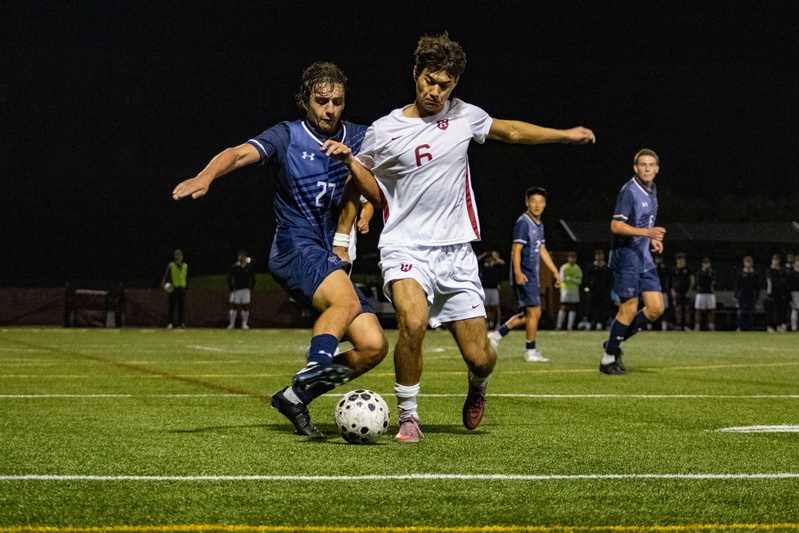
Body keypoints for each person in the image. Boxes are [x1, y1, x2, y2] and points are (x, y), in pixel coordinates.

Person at [322, 32, 595, 442]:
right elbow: (365, 181)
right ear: (415, 73)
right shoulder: (385, 129)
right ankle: (409, 418)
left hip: (456, 254)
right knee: (411, 323)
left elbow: (514, 132)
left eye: (444, 85)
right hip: (405, 246)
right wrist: (350, 217)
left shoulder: (465, 116)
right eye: (429, 81)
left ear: (455, 85)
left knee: (481, 357)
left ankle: (478, 384)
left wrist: (566, 134)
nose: (435, 91)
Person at [171, 61, 388, 438]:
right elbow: (237, 154)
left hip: (327, 255)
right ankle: (315, 367)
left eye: (337, 101)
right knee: (347, 303)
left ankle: (295, 395)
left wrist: (357, 178)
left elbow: (379, 190)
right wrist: (206, 175)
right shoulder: (287, 136)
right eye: (322, 101)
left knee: (373, 346)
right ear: (305, 101)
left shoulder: (359, 137)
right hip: (294, 246)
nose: (330, 109)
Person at [600, 149, 666, 375]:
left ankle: (612, 344)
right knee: (628, 309)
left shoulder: (652, 190)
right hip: (626, 258)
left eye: (651, 165)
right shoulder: (629, 191)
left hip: (643, 258)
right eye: (643, 165)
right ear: (635, 168)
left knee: (656, 308)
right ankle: (608, 359)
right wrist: (647, 233)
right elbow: (616, 226)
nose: (647, 169)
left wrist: (652, 241)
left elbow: (647, 223)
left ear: (657, 169)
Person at [488, 188, 561, 362]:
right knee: (535, 312)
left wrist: (555, 271)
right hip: (525, 274)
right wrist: (518, 272)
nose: (537, 205)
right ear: (527, 202)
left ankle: (496, 337)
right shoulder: (523, 222)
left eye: (541, 202)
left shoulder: (539, 225)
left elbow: (542, 249)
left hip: (532, 275)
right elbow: (517, 250)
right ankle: (530, 351)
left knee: (529, 314)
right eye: (533, 201)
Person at [583, 249, 612, 331]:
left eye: (601, 255)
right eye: (597, 255)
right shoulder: (591, 267)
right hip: (593, 291)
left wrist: (608, 289)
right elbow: (587, 279)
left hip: (603, 291)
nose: (599, 257)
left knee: (603, 308)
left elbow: (610, 279)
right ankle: (589, 323)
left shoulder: (606, 267)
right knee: (591, 307)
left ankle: (600, 323)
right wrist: (588, 287)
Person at [477, 250, 506, 330]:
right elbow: (476, 259)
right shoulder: (485, 264)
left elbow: (503, 263)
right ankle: (486, 323)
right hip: (485, 288)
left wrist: (495, 258)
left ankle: (497, 324)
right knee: (486, 307)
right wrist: (484, 254)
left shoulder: (497, 265)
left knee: (496, 307)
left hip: (494, 288)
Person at [227, 250, 255, 330]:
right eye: (240, 256)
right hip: (237, 290)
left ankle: (244, 324)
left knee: (245, 306)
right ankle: (232, 324)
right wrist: (231, 288)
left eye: (243, 256)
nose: (241, 257)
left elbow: (253, 277)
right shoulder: (235, 267)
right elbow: (230, 278)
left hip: (245, 290)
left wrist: (251, 287)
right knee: (234, 306)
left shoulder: (248, 268)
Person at [161, 248, 187, 329]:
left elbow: (185, 277)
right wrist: (164, 284)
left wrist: (186, 286)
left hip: (181, 288)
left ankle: (181, 323)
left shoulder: (185, 266)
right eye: (176, 255)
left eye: (179, 255)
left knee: (181, 307)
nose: (177, 256)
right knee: (172, 306)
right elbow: (166, 276)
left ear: (182, 256)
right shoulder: (171, 265)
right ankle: (170, 323)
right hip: (173, 288)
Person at [556, 252, 582, 331]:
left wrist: (571, 279)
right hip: (565, 290)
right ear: (568, 258)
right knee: (564, 307)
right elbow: (561, 278)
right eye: (571, 257)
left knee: (572, 307)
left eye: (573, 258)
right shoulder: (564, 267)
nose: (572, 259)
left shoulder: (578, 268)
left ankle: (569, 326)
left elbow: (580, 281)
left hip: (574, 290)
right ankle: (559, 326)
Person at [734, 255, 760, 331]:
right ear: (744, 263)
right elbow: (737, 285)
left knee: (751, 312)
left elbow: (757, 286)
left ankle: (750, 327)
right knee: (741, 311)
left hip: (751, 295)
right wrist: (735, 296)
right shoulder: (740, 274)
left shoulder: (755, 274)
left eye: (750, 262)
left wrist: (757, 296)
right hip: (742, 295)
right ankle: (739, 326)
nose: (748, 264)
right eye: (746, 262)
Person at [764, 253, 788, 333]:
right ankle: (770, 326)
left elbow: (783, 282)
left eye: (777, 260)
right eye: (775, 260)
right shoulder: (769, 270)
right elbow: (772, 281)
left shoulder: (781, 270)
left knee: (779, 310)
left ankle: (778, 325)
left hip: (779, 294)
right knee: (771, 310)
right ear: (772, 261)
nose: (776, 261)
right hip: (771, 293)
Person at [670, 253, 694, 331]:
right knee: (678, 309)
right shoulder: (674, 269)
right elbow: (672, 281)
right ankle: (679, 325)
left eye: (682, 259)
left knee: (687, 309)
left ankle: (687, 325)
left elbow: (692, 280)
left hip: (686, 292)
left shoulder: (688, 269)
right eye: (679, 259)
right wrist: (672, 290)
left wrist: (690, 290)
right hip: (677, 292)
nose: (680, 261)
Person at [693, 257, 716, 331]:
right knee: (698, 310)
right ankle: (697, 326)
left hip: (710, 293)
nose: (707, 265)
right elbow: (698, 281)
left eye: (708, 263)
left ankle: (711, 326)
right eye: (705, 263)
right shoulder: (699, 272)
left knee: (711, 310)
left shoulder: (711, 272)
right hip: (701, 293)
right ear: (702, 264)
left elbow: (712, 281)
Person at [653, 253, 672, 331]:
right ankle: (651, 324)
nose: (658, 260)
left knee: (664, 309)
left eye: (659, 258)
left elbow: (668, 279)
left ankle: (664, 324)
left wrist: (668, 288)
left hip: (663, 291)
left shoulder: (665, 269)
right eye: (657, 258)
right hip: (653, 291)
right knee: (653, 308)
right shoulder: (651, 268)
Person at [787, 255, 799, 332]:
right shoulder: (791, 272)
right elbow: (789, 284)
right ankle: (794, 327)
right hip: (794, 293)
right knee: (795, 309)